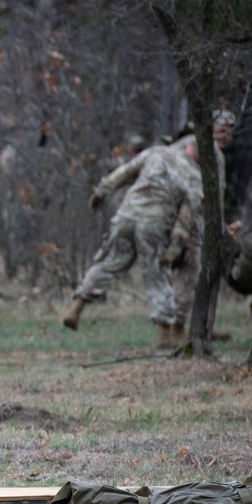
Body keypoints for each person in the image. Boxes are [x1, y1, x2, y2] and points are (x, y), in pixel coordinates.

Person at [61, 140, 203, 348]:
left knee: (109, 263)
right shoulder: (193, 174)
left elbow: (125, 172)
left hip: (126, 216)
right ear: (194, 151)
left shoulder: (156, 152)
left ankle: (76, 308)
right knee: (156, 272)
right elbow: (189, 211)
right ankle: (164, 335)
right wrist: (177, 241)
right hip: (154, 223)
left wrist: (101, 191)